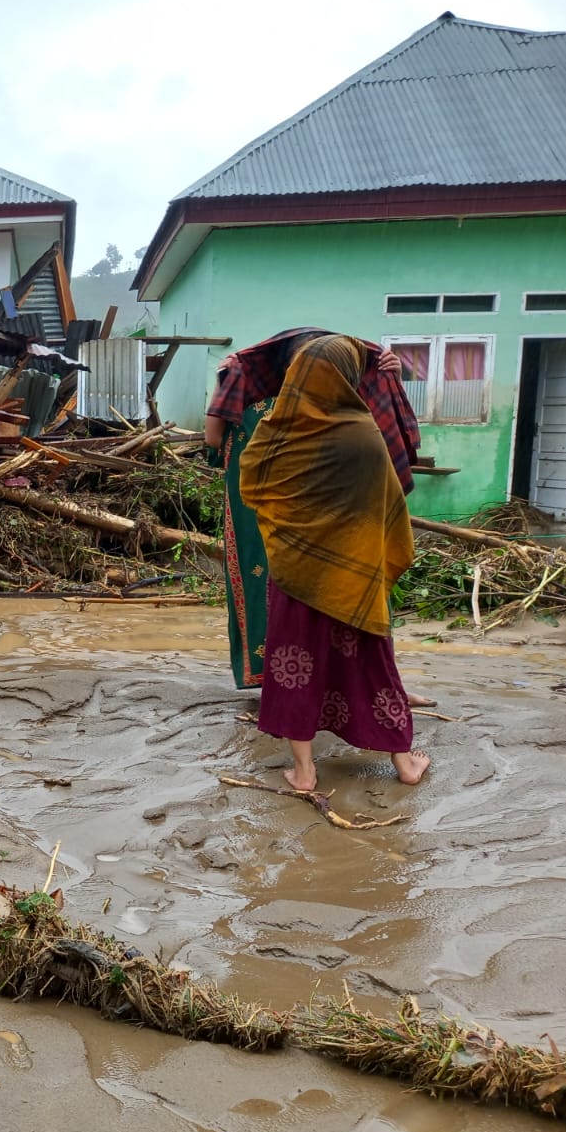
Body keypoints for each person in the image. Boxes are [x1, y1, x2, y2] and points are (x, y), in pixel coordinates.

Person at [238, 334, 430, 790]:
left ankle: (304, 772)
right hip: (354, 578)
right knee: (371, 664)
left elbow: (253, 485)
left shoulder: (275, 429)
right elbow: (388, 506)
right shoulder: (362, 432)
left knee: (294, 668)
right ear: (344, 376)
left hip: (294, 574)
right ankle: (403, 764)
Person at [203, 328, 422, 695]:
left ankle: (369, 685)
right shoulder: (265, 413)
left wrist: (392, 380)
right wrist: (224, 382)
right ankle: (305, 688)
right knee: (303, 607)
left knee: (355, 600)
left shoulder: (352, 409)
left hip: (341, 530)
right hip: (298, 534)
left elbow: (388, 449)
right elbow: (218, 443)